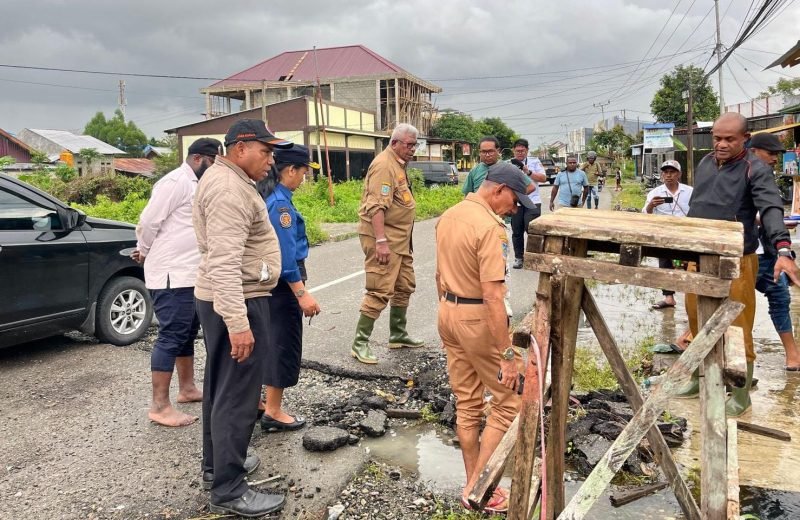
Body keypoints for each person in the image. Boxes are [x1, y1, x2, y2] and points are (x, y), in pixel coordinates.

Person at [193, 119, 290, 516]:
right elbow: (225, 261)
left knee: (220, 386)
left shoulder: (227, 180)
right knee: (237, 394)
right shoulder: (230, 190)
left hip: (228, 298)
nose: (271, 160)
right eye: (265, 152)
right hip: (237, 301)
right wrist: (238, 323)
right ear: (240, 149)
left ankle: (218, 465)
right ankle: (229, 488)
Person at [680, 112, 800, 417]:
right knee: (696, 321)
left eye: (729, 139)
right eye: (717, 138)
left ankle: (741, 393)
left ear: (745, 139)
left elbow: (771, 208)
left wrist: (783, 249)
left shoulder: (755, 169)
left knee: (737, 328)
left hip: (736, 261)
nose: (720, 144)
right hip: (699, 257)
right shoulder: (706, 163)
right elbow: (698, 206)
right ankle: (696, 379)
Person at [435, 161, 533, 514]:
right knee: (509, 400)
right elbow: (493, 295)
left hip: (448, 312)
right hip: (477, 318)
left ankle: (471, 483)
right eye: (514, 200)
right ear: (498, 190)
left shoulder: (450, 215)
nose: (516, 208)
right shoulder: (492, 229)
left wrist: (449, 311)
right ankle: (479, 485)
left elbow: (438, 274)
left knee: (467, 401)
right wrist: (508, 354)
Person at [134, 138, 220, 427]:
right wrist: (143, 250)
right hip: (171, 274)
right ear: (198, 158)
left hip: (189, 272)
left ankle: (187, 389)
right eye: (213, 161)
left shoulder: (196, 183)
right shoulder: (174, 182)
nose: (215, 167)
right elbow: (148, 221)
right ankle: (159, 406)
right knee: (171, 335)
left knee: (187, 331)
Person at [259, 144, 322, 431]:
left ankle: (262, 402)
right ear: (290, 170)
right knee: (282, 344)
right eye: (304, 172)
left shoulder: (271, 196)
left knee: (270, 340)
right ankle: (273, 410)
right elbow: (285, 257)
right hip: (283, 284)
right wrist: (302, 293)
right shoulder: (280, 204)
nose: (305, 178)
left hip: (271, 283)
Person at [350, 123, 424, 364]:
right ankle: (359, 343)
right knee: (380, 287)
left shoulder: (398, 164)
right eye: (409, 144)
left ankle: (398, 333)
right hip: (385, 239)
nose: (413, 149)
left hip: (400, 239)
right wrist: (381, 241)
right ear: (395, 143)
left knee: (404, 285)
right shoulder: (384, 165)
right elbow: (376, 207)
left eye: (415, 144)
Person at [748, 132, 800, 370]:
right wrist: (759, 219)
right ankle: (690, 336)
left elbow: (769, 209)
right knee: (728, 300)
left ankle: (792, 355)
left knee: (780, 298)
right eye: (771, 154)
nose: (774, 160)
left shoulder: (768, 178)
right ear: (753, 150)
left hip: (767, 254)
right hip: (742, 254)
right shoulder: (735, 176)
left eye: (777, 156)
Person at [643, 160, 692, 310]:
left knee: (689, 264)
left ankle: (692, 297)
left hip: (686, 233)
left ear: (679, 174)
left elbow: (698, 211)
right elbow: (645, 214)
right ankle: (669, 297)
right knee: (665, 264)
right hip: (664, 233)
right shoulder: (655, 193)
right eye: (665, 172)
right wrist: (651, 205)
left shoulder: (690, 191)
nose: (668, 175)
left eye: (672, 172)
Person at [509, 139, 547, 269]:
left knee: (531, 229)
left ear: (527, 151)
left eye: (522, 151)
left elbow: (543, 178)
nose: (520, 153)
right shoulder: (509, 164)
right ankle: (519, 258)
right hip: (516, 202)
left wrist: (528, 171)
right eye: (517, 151)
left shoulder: (534, 162)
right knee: (517, 231)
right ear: (513, 150)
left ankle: (535, 257)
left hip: (533, 201)